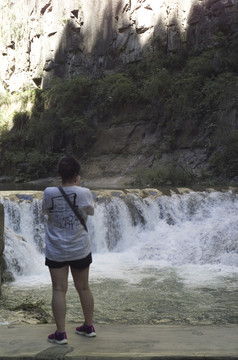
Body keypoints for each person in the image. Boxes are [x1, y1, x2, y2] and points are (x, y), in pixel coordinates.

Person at [42, 156, 96, 344]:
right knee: (83, 287)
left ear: (59, 174)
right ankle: (88, 327)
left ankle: (60, 334)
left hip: (56, 249)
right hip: (79, 247)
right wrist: (78, 185)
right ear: (77, 175)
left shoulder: (49, 192)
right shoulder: (84, 192)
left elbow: (46, 212)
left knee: (58, 289)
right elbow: (90, 211)